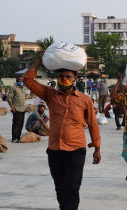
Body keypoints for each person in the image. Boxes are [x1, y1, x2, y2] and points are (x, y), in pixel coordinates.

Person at [24, 52, 101, 210]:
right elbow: (28, 80)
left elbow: (93, 124)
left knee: (72, 188)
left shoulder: (85, 100)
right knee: (60, 189)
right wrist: (39, 60)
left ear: (75, 79)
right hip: (55, 150)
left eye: (67, 76)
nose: (64, 80)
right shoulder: (50, 95)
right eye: (61, 76)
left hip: (76, 150)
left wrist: (97, 148)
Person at [7, 75, 27, 143]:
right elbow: (9, 98)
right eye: (19, 80)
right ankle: (14, 138)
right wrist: (12, 108)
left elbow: (23, 99)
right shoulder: (13, 88)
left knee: (21, 124)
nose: (20, 81)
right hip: (16, 109)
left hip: (23, 109)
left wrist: (26, 107)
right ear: (16, 80)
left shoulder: (23, 88)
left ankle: (18, 137)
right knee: (16, 124)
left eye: (22, 80)